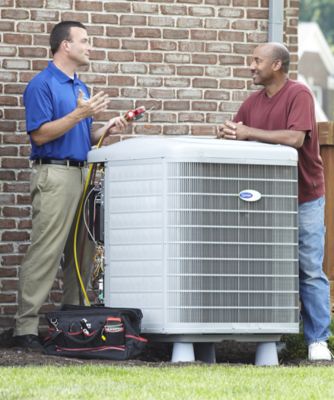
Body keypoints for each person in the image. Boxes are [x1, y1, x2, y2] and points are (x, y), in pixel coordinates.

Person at [13, 21, 128, 351]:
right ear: (65, 45)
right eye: (85, 41)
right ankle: (25, 329)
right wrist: (80, 115)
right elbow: (40, 134)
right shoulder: (42, 84)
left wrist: (106, 127)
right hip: (55, 175)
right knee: (46, 251)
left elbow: (84, 136)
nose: (90, 46)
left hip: (82, 174)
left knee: (82, 252)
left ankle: (74, 324)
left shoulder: (82, 89)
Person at [217, 42, 332, 361]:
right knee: (267, 269)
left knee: (309, 269)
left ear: (277, 65)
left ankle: (317, 341)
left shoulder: (299, 95)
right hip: (265, 201)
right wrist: (227, 133)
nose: (251, 65)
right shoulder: (252, 103)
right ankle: (275, 334)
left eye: (257, 60)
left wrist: (246, 132)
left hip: (303, 197)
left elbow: (296, 139)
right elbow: (239, 134)